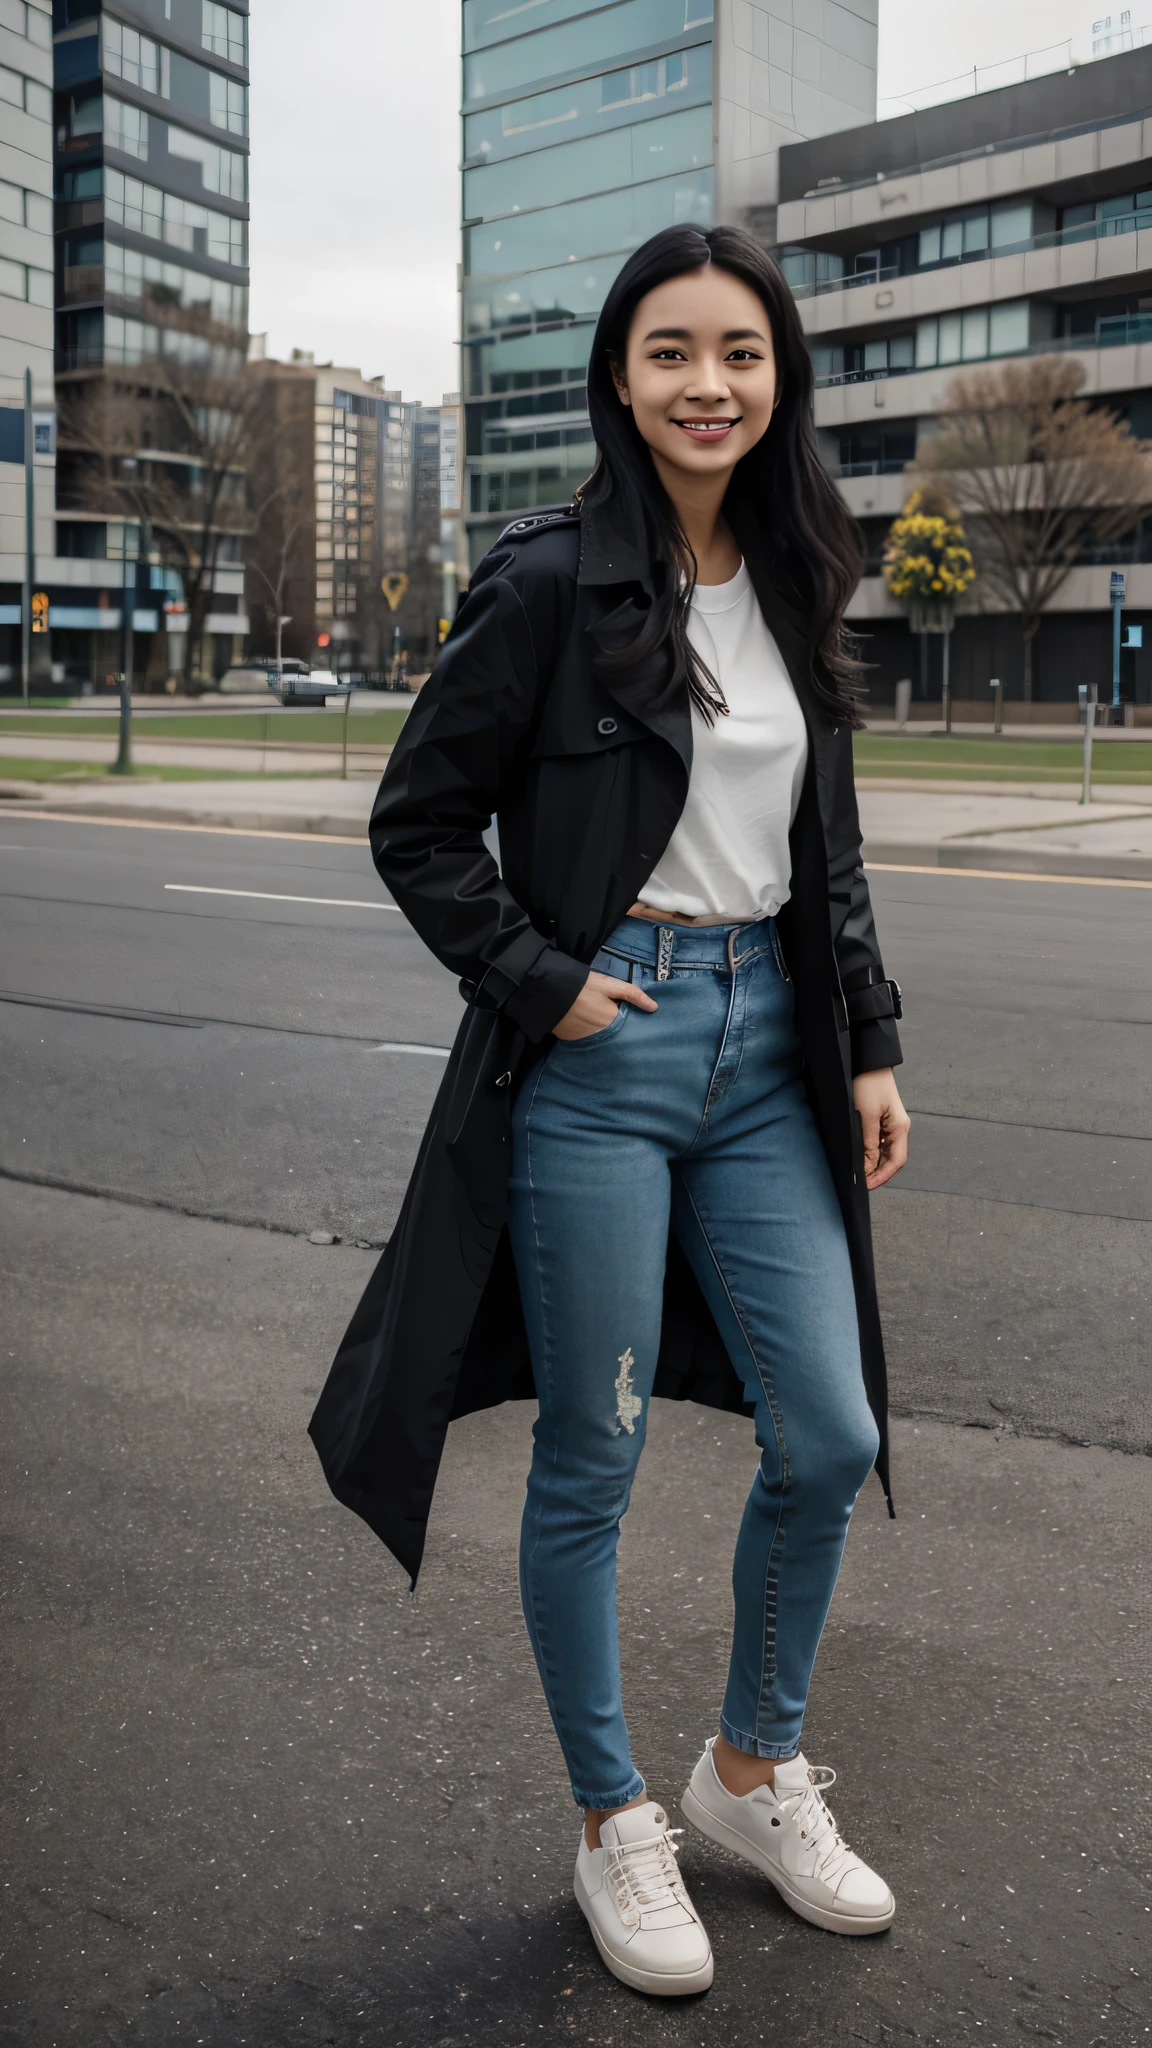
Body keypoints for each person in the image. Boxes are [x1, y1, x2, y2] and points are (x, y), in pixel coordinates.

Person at [309, 224, 910, 1998]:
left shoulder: (801, 576)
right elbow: (417, 826)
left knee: (832, 1436)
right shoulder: (551, 582)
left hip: (769, 1058)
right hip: (604, 1052)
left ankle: (748, 1771)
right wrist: (542, 978)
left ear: (778, 373)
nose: (707, 384)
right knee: (598, 1460)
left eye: (738, 351)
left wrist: (867, 1038)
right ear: (621, 378)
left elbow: (831, 847)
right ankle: (612, 1819)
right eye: (670, 353)